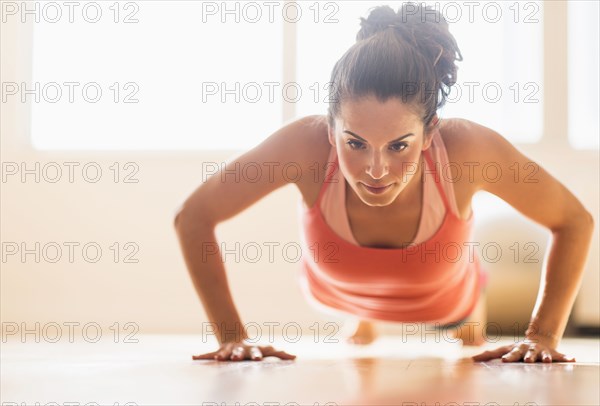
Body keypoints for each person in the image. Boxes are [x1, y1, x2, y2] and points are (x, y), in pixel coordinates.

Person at [174, 3, 594, 363]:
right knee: (362, 325)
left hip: (448, 300)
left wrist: (541, 336)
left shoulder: (468, 150)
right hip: (337, 291)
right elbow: (193, 217)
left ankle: (462, 303)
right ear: (330, 128)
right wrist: (231, 336)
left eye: (398, 146)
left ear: (430, 132)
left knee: (467, 340)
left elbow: (574, 221)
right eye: (355, 143)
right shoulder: (304, 144)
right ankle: (364, 317)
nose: (375, 170)